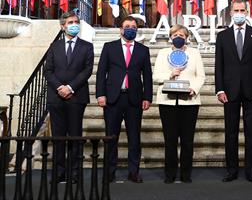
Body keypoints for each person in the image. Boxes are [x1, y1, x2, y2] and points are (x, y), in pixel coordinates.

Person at [215, 0, 252, 183]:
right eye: (235, 10)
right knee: (231, 133)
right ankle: (231, 170)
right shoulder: (222, 36)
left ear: (247, 12)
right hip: (229, 92)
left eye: (241, 10)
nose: (238, 12)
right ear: (230, 13)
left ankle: (250, 171)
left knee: (251, 132)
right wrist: (219, 89)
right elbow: (218, 66)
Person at [96, 16, 152, 183]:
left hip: (134, 99)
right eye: (127, 26)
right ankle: (110, 172)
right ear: (120, 29)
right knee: (111, 137)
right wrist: (100, 94)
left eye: (133, 27)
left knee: (134, 138)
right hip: (113, 98)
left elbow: (147, 76)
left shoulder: (143, 50)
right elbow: (101, 73)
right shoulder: (109, 47)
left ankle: (133, 172)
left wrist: (147, 97)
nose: (130, 29)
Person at [44, 11, 94, 183]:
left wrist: (70, 87)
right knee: (58, 137)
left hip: (76, 96)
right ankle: (59, 172)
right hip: (56, 97)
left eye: (76, 21)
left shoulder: (87, 46)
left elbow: (87, 71)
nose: (74, 24)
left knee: (75, 136)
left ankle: (74, 172)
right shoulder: (54, 45)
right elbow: (48, 70)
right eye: (71, 22)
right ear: (63, 26)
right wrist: (60, 87)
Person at [153, 25, 205, 184]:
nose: (178, 37)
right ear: (170, 37)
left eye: (181, 34)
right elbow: (156, 76)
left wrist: (194, 89)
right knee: (170, 140)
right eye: (175, 34)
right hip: (167, 102)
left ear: (187, 37)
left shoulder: (194, 53)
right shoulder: (163, 54)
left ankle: (186, 174)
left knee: (187, 140)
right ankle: (170, 174)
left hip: (189, 102)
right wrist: (170, 74)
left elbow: (201, 76)